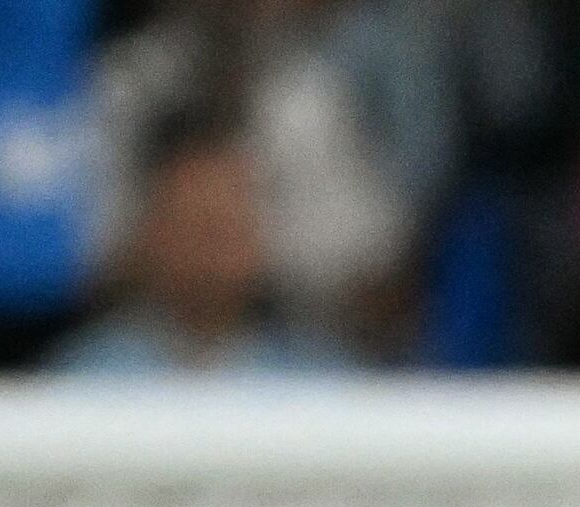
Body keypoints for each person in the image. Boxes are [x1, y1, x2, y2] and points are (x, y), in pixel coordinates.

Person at [45, 106, 353, 379]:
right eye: (196, 226)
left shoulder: (315, 380)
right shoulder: (87, 378)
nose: (212, 254)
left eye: (227, 227)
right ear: (150, 234)